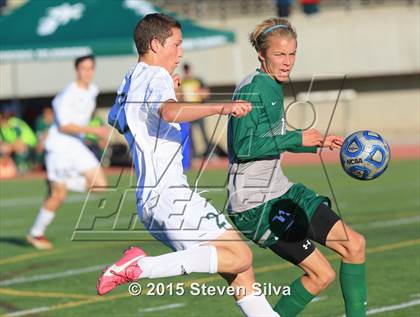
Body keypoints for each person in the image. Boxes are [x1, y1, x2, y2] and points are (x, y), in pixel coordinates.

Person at [97, 13, 279, 317]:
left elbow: (115, 118)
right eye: (177, 44)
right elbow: (168, 113)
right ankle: (140, 266)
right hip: (170, 196)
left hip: (152, 200)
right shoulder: (154, 76)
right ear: (156, 44)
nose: (181, 52)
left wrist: (166, 96)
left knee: (240, 273)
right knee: (239, 256)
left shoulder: (132, 78)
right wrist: (222, 107)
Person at [227, 18, 367, 317]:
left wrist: (314, 142)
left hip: (281, 191)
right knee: (321, 275)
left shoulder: (271, 85)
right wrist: (296, 136)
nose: (287, 62)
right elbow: (243, 146)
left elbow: (273, 139)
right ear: (262, 56)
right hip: (256, 205)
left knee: (354, 245)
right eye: (279, 54)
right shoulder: (254, 88)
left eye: (292, 54)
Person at [26, 55, 109, 250]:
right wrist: (94, 131)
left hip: (76, 145)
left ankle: (57, 182)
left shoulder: (93, 90)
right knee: (59, 197)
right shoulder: (66, 95)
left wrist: (95, 134)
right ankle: (35, 234)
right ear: (76, 71)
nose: (87, 72)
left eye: (90, 68)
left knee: (100, 186)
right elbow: (63, 127)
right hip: (60, 146)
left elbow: (79, 122)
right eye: (83, 68)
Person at [0, 107, 37, 173]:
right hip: (18, 143)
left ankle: (22, 166)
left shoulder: (13, 121)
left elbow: (19, 139)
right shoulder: (2, 127)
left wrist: (9, 147)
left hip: (29, 143)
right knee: (4, 148)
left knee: (10, 147)